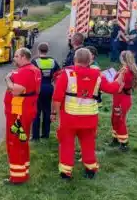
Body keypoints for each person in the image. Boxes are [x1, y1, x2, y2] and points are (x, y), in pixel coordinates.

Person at [51, 48, 123, 180]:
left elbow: (57, 97)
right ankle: (90, 169)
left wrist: (54, 113)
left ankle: (66, 172)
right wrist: (120, 79)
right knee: (88, 143)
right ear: (90, 60)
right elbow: (112, 88)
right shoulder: (98, 75)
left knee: (67, 143)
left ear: (75, 59)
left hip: (69, 117)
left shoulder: (66, 74)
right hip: (90, 117)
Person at [3, 48, 41, 184]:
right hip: (25, 110)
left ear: (24, 57)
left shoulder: (25, 71)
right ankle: (23, 170)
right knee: (22, 140)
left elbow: (15, 91)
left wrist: (7, 79)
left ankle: (17, 177)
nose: (14, 59)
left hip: (19, 112)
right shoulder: (34, 70)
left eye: (16, 56)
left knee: (15, 142)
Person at [110, 50, 137, 151]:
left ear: (122, 58)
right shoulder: (128, 69)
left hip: (121, 98)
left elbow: (118, 87)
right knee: (115, 118)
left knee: (120, 120)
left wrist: (110, 83)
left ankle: (124, 144)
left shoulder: (125, 71)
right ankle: (115, 138)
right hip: (122, 98)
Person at [31, 43, 60, 141]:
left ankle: (35, 136)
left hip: (38, 88)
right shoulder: (53, 61)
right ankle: (45, 134)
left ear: (38, 50)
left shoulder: (35, 61)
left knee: (36, 112)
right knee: (47, 111)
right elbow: (58, 74)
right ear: (47, 50)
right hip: (49, 87)